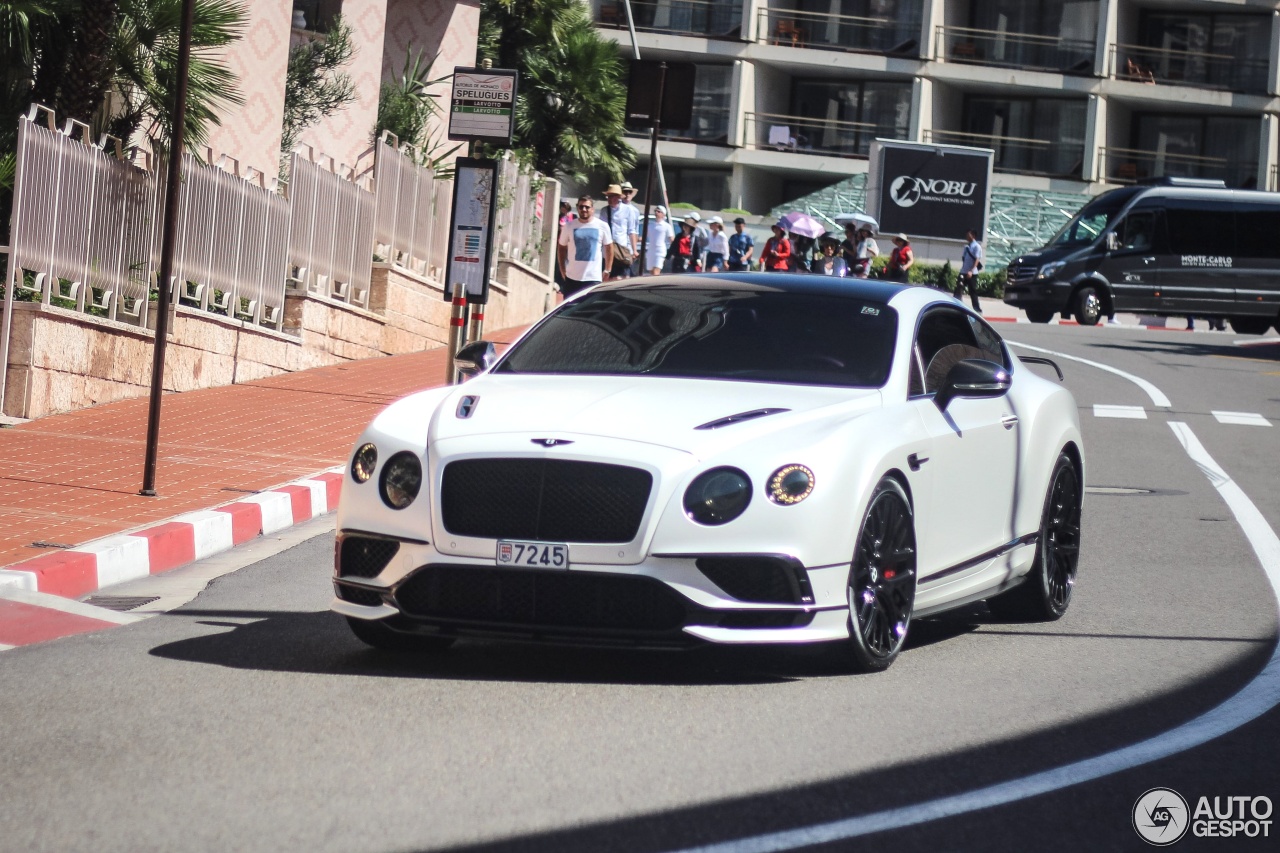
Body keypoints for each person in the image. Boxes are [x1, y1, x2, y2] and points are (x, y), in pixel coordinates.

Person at [557, 195, 614, 297]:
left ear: (592, 209)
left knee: (590, 311)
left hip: (593, 278)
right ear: (577, 207)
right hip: (572, 278)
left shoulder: (602, 226)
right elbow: (561, 247)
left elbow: (609, 247)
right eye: (581, 207)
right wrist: (562, 269)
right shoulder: (569, 226)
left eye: (587, 207)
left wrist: (607, 269)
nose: (584, 209)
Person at [599, 183, 639, 280]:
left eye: (611, 196)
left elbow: (631, 230)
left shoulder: (628, 210)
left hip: (622, 250)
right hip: (607, 249)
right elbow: (601, 230)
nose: (608, 199)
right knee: (607, 277)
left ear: (618, 197)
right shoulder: (604, 211)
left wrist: (634, 250)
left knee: (623, 278)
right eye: (608, 196)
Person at [956, 228, 984, 312]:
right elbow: (964, 258)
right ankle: (957, 305)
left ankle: (977, 308)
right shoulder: (967, 247)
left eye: (969, 235)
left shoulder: (977, 246)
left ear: (973, 236)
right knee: (958, 288)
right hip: (963, 271)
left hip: (972, 273)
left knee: (972, 291)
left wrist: (971, 271)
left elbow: (977, 260)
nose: (967, 236)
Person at [643, 206, 674, 275]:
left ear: (663, 214)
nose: (656, 213)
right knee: (651, 272)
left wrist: (674, 251)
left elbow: (671, 239)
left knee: (656, 271)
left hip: (660, 251)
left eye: (659, 211)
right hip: (651, 251)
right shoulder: (650, 225)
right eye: (656, 211)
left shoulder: (667, 226)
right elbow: (644, 237)